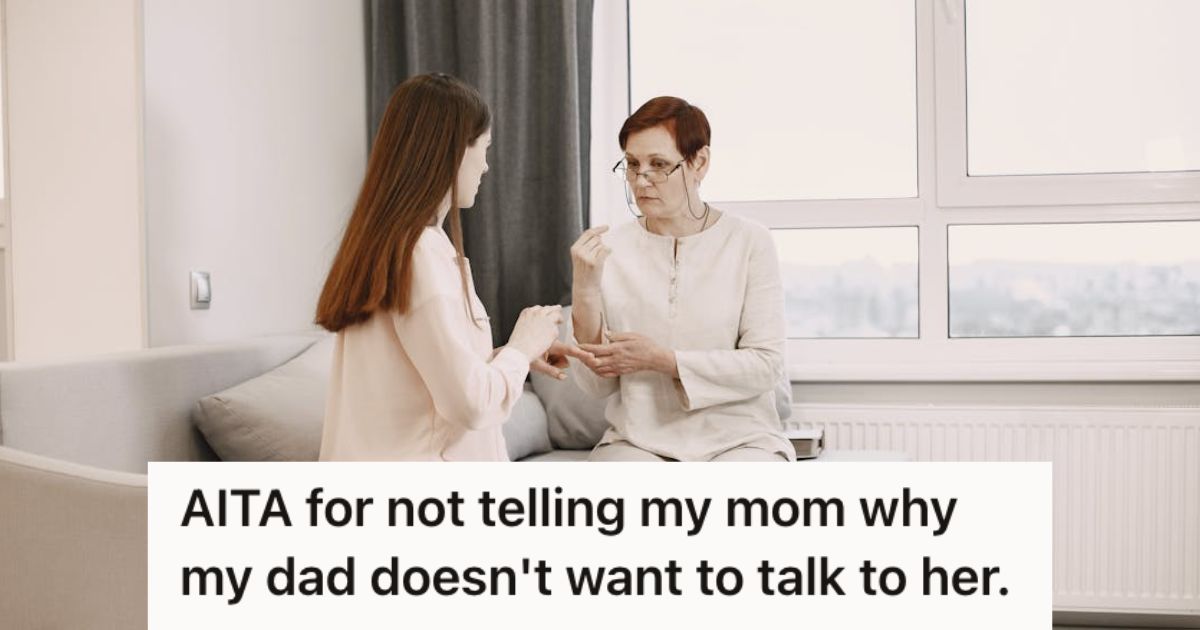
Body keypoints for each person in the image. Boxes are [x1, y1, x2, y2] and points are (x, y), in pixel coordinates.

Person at [315, 73, 585, 461]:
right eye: (485, 148)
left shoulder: (393, 245)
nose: (487, 167)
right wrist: (522, 345)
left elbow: (418, 375)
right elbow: (470, 405)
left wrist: (512, 356)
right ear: (454, 149)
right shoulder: (419, 255)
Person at [569, 96, 795, 462]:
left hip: (741, 438)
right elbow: (596, 385)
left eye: (658, 165)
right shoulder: (608, 249)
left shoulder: (750, 241)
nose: (640, 181)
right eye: (631, 165)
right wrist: (584, 288)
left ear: (699, 162)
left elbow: (766, 366)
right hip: (637, 440)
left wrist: (664, 360)